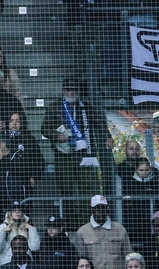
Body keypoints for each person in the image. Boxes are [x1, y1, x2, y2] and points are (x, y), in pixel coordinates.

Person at [41, 77, 111, 227]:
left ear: (78, 91)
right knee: (66, 189)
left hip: (84, 154)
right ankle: (70, 223)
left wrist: (107, 137)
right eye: (68, 89)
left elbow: (99, 122)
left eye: (74, 89)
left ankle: (88, 223)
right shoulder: (54, 107)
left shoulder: (84, 106)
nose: (71, 92)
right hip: (63, 155)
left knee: (88, 188)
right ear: (63, 90)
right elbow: (44, 129)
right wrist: (56, 135)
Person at [72, 196, 133, 269]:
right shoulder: (82, 232)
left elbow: (129, 256)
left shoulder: (120, 229)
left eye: (103, 208)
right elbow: (81, 260)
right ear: (92, 210)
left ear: (107, 209)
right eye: (97, 208)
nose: (100, 211)